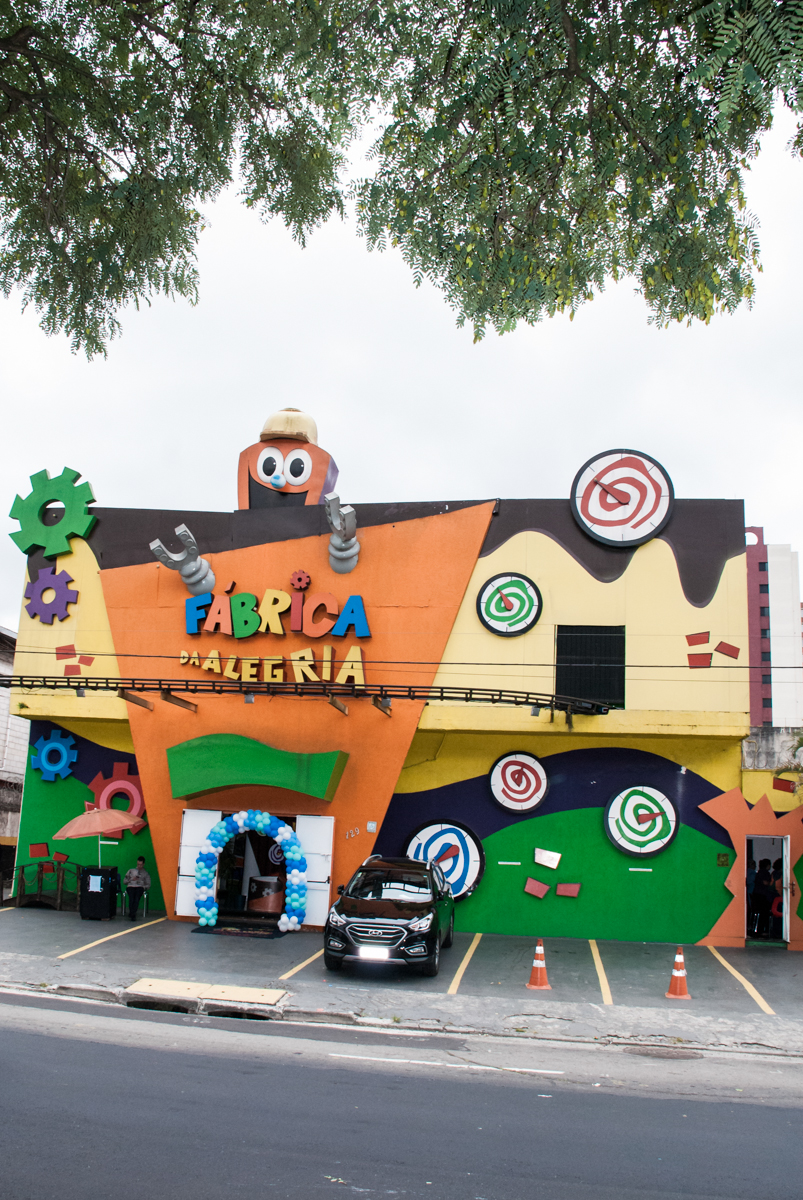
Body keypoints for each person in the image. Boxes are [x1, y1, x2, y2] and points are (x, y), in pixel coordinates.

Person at [123, 856, 151, 921]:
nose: (139, 866)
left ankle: (132, 913)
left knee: (136, 898)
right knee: (131, 897)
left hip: (140, 887)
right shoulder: (131, 871)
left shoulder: (146, 873)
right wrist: (131, 880)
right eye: (138, 864)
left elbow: (148, 885)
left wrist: (143, 886)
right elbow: (124, 881)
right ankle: (132, 913)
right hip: (131, 886)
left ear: (143, 864)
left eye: (141, 865)